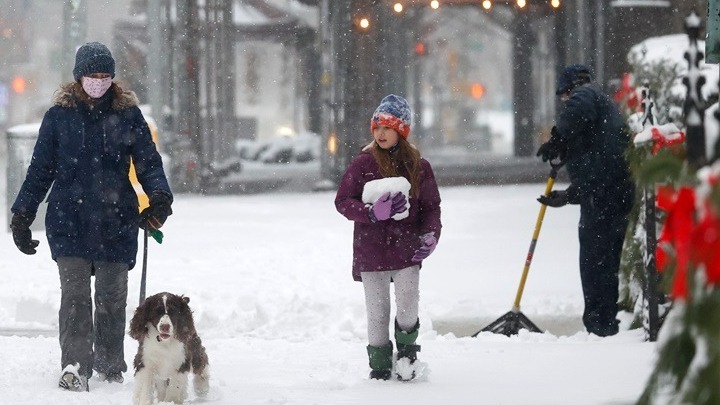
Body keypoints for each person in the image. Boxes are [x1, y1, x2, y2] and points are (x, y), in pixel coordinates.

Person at [9, 41, 173, 392]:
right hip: (70, 222)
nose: (99, 81)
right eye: (92, 75)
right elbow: (40, 171)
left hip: (117, 222)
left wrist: (160, 196)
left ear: (112, 78)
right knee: (75, 298)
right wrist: (22, 214)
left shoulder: (128, 115)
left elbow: (148, 162)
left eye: (105, 75)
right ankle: (74, 365)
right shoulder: (58, 117)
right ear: (78, 77)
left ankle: (110, 366)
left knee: (112, 298)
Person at [335, 94, 442, 381]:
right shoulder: (363, 164)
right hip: (371, 252)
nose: (381, 133)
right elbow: (342, 201)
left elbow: (431, 206)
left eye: (388, 128)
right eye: (377, 127)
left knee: (408, 307)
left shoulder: (419, 166)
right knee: (377, 313)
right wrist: (370, 212)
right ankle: (379, 366)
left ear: (402, 131)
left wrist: (430, 236)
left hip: (407, 249)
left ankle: (408, 357)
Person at [536, 64, 634, 337]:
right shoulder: (599, 118)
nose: (565, 102)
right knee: (603, 262)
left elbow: (579, 107)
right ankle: (603, 323)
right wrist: (568, 196)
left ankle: (600, 325)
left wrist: (558, 137)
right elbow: (597, 171)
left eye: (565, 96)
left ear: (570, 89)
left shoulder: (588, 94)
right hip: (609, 194)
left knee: (595, 261)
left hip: (607, 197)